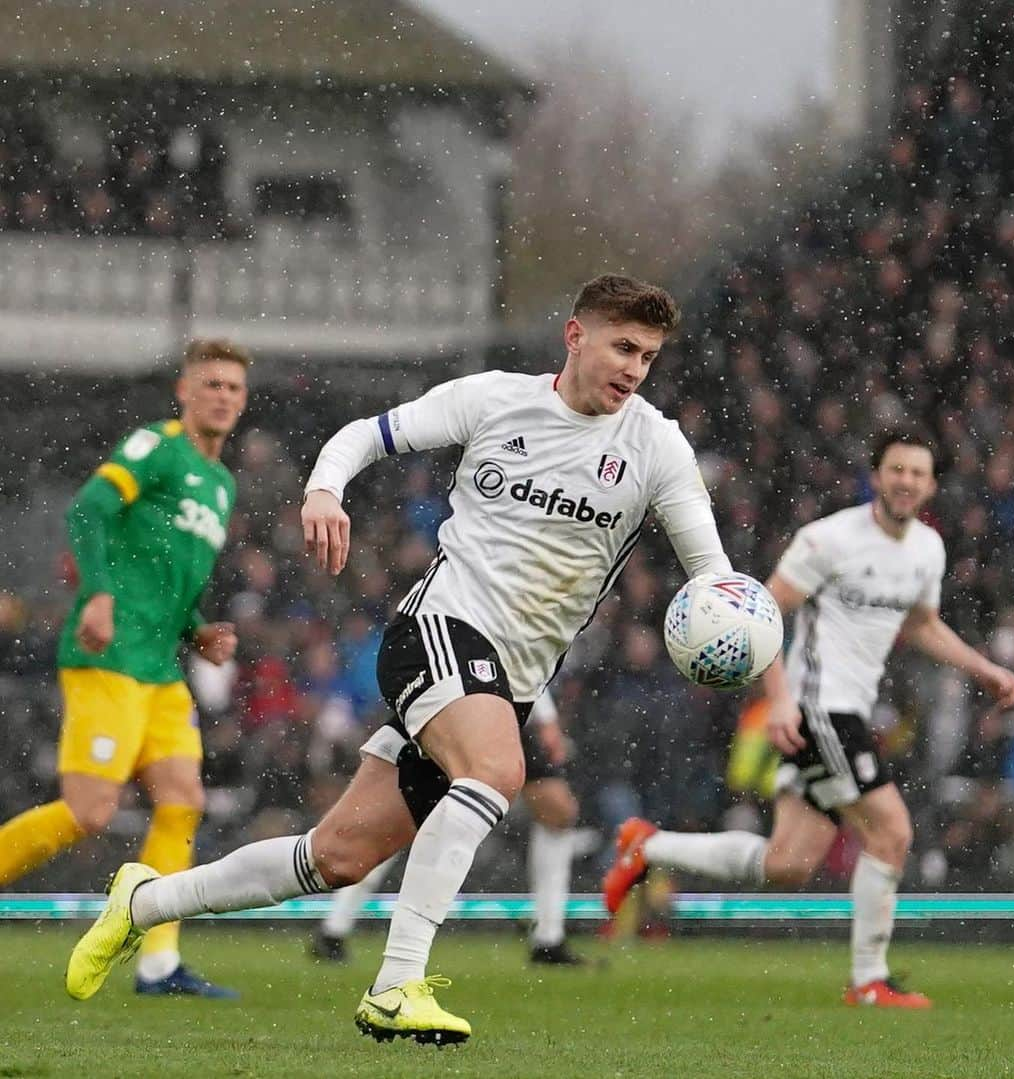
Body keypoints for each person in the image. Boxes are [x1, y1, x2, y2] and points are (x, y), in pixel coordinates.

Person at [66, 273, 737, 1045]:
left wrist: (728, 618)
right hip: (439, 631)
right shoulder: (494, 399)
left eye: (648, 356)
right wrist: (324, 490)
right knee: (497, 771)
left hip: (510, 679)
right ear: (575, 335)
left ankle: (141, 904)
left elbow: (710, 570)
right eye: (623, 346)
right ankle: (396, 983)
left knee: (334, 857)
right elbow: (363, 435)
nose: (633, 368)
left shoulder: (655, 444)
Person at [604, 427, 1014, 1008]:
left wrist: (983, 669)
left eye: (917, 473)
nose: (905, 481)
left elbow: (921, 624)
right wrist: (777, 699)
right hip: (818, 710)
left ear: (930, 486)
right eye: (895, 470)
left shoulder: (928, 550)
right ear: (876, 477)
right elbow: (762, 614)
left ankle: (646, 846)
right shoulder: (827, 540)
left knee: (788, 864)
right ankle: (869, 980)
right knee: (893, 831)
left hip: (845, 714)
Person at [1, 338, 249, 997]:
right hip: (109, 657)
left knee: (183, 800)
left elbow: (175, 573)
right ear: (185, 392)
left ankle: (159, 963)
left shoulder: (221, 484)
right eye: (212, 384)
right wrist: (100, 593)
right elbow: (88, 508)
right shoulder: (156, 446)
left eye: (233, 387)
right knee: (88, 810)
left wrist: (198, 632)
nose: (223, 395)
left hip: (162, 669)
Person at [310, 689, 588, 966]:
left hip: (502, 705)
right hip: (461, 699)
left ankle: (549, 938)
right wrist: (547, 717)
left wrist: (543, 715)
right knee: (405, 814)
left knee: (558, 812)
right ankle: (335, 929)